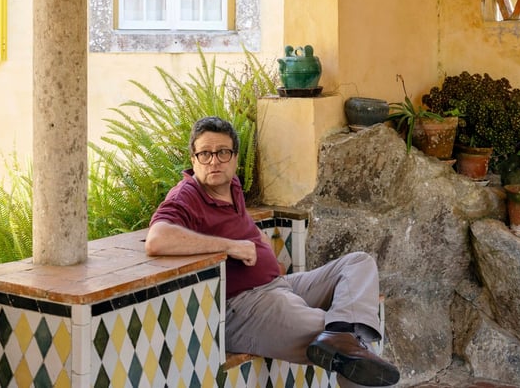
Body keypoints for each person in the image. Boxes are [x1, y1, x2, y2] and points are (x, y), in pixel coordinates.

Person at [145, 116, 400, 387]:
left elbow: (237, 227)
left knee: (359, 264)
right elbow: (157, 239)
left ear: (234, 157)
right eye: (205, 154)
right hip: (244, 307)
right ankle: (341, 339)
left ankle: (341, 332)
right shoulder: (187, 196)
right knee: (346, 350)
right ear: (193, 159)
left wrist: (261, 248)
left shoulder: (231, 186)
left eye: (222, 153)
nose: (214, 161)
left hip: (280, 286)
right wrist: (230, 246)